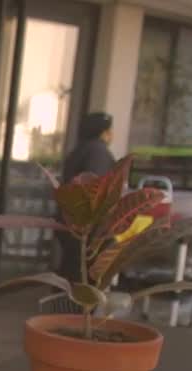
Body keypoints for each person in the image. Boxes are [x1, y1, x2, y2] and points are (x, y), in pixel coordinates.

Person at [57, 112, 116, 279]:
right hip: (87, 226)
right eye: (110, 130)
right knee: (84, 275)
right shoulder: (98, 152)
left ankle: (63, 304)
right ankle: (76, 305)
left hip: (71, 221)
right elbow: (95, 187)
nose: (112, 135)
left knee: (70, 269)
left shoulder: (79, 150)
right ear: (104, 132)